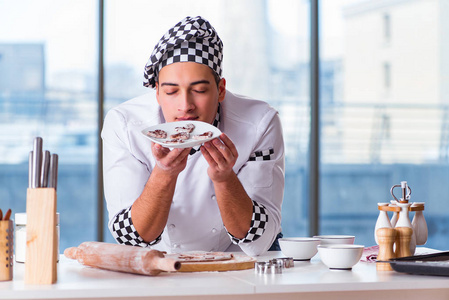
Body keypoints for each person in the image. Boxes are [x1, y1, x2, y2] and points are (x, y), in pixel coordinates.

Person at [101, 16, 285, 256]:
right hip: (159, 263)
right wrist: (164, 173)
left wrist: (224, 179)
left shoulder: (259, 122)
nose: (185, 105)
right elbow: (131, 239)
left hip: (236, 263)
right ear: (156, 92)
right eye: (171, 91)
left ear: (220, 90)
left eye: (199, 90)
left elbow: (261, 240)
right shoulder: (125, 125)